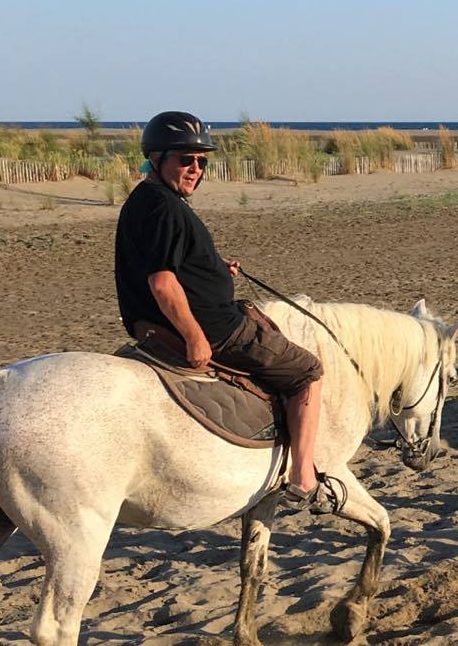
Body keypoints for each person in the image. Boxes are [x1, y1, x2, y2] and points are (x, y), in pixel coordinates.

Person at [114, 111, 341, 510]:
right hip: (216, 328)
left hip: (153, 324)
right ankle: (303, 475)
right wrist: (195, 336)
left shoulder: (146, 199)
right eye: (186, 159)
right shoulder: (165, 208)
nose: (195, 169)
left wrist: (217, 269)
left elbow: (170, 261)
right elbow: (162, 283)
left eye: (202, 161)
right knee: (307, 370)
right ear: (156, 157)